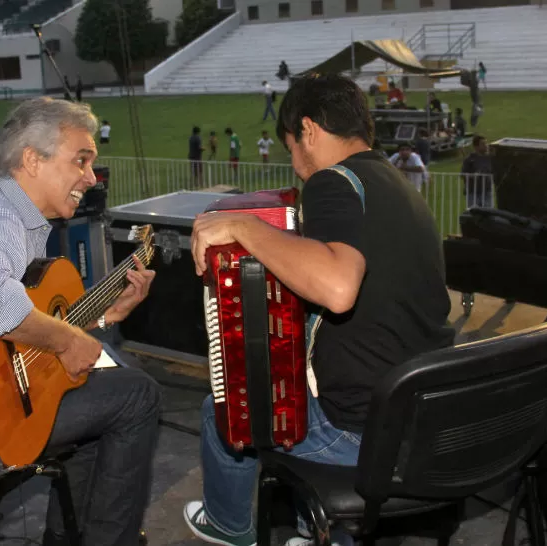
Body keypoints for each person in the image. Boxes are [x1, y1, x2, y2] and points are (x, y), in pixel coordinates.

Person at [183, 73, 454, 546]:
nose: (295, 164)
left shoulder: (334, 180)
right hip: (424, 420)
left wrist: (245, 229)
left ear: (308, 131)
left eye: (291, 146)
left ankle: (229, 525)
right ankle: (316, 530)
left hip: (361, 436)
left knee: (223, 406)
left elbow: (337, 288)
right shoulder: (394, 182)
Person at [0, 97, 162, 546]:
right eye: (81, 160)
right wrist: (66, 341)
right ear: (31, 160)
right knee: (138, 395)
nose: (91, 178)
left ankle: (68, 536)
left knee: (95, 397)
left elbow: (12, 328)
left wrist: (96, 318)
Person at [461, 134, 494, 209]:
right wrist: (473, 176)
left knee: (489, 215)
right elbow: (463, 174)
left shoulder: (490, 158)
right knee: (475, 216)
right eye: (483, 144)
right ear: (476, 147)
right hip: (473, 193)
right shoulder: (469, 159)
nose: (486, 145)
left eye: (486, 143)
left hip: (487, 192)